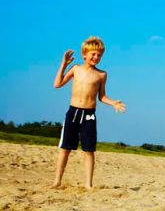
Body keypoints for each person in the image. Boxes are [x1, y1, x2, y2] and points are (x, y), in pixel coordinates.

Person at [51, 36, 126, 189]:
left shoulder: (101, 74)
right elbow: (57, 84)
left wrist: (113, 103)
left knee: (89, 151)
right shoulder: (76, 69)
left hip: (89, 115)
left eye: (99, 55)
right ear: (84, 54)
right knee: (65, 149)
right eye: (93, 54)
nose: (96, 57)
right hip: (73, 113)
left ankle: (88, 184)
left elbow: (102, 96)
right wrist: (63, 64)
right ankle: (57, 181)